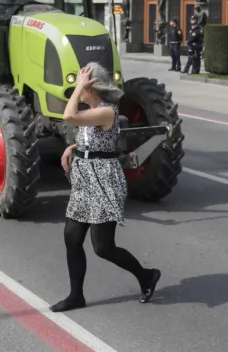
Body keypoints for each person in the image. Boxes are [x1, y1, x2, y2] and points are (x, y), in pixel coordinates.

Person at [51, 62, 161, 313]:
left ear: (93, 87)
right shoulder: (93, 111)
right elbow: (91, 139)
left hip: (104, 181)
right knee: (72, 237)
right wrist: (72, 148)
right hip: (84, 180)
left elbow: (69, 116)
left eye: (83, 84)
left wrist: (78, 88)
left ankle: (146, 276)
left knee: (103, 247)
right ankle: (75, 295)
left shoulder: (106, 112)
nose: (78, 89)